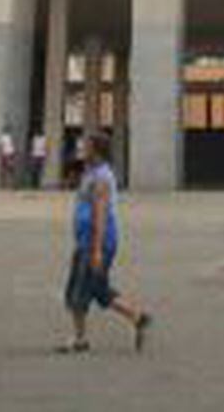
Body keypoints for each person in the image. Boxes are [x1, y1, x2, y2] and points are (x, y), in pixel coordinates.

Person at [57, 131, 153, 355]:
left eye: (86, 147)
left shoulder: (101, 178)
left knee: (78, 292)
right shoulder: (91, 173)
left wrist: (97, 249)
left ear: (96, 151)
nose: (83, 150)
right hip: (87, 241)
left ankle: (80, 340)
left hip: (94, 243)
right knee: (98, 290)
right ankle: (138, 317)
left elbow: (100, 215)